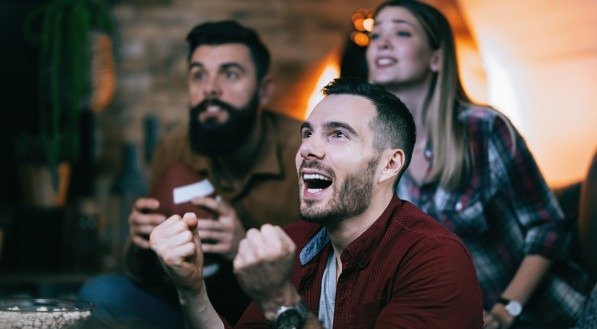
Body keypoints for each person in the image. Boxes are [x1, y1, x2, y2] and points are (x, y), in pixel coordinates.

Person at [149, 77, 484, 329]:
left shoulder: (434, 259)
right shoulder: (295, 242)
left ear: (389, 164)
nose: (309, 149)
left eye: (338, 134)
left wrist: (279, 301)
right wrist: (192, 289)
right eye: (307, 133)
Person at [365, 1, 593, 328]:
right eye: (375, 36)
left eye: (402, 32)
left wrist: (505, 310)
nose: (382, 42)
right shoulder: (375, 155)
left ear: (437, 58)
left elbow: (548, 229)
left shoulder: (484, 129)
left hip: (552, 314)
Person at [78, 20, 301, 328]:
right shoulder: (175, 145)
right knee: (100, 292)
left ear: (263, 91)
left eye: (230, 73)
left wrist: (241, 245)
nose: (210, 87)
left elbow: (326, 279)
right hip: (189, 304)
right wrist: (144, 243)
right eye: (198, 74)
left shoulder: (302, 150)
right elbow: (145, 276)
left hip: (267, 312)